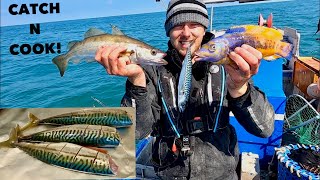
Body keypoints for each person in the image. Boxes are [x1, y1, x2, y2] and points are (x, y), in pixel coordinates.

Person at [95, 0, 275, 179]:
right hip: (169, 173)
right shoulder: (152, 70)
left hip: (222, 173)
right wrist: (136, 81)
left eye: (194, 24)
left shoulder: (226, 64)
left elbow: (265, 129)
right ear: (168, 31)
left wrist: (239, 88)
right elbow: (136, 132)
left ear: (204, 27)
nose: (186, 33)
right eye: (178, 25)